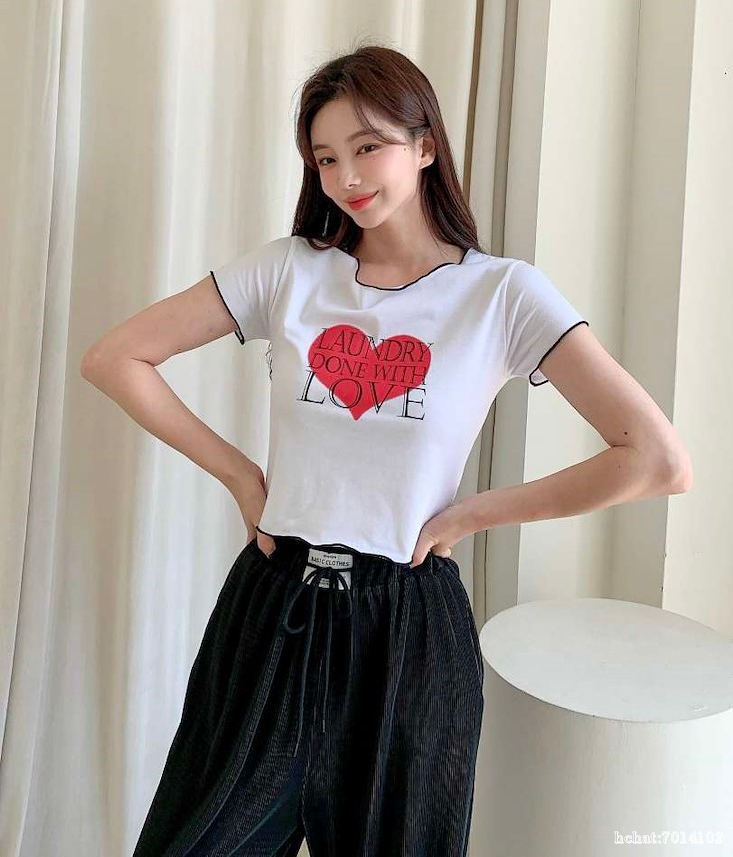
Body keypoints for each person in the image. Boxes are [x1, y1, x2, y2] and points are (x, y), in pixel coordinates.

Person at [83, 43, 591, 855]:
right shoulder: (289, 271)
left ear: (424, 146)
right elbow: (116, 358)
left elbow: (653, 457)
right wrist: (241, 476)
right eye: (324, 158)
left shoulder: (502, 295)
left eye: (367, 147)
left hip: (407, 631)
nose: (345, 176)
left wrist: (471, 515)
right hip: (272, 608)